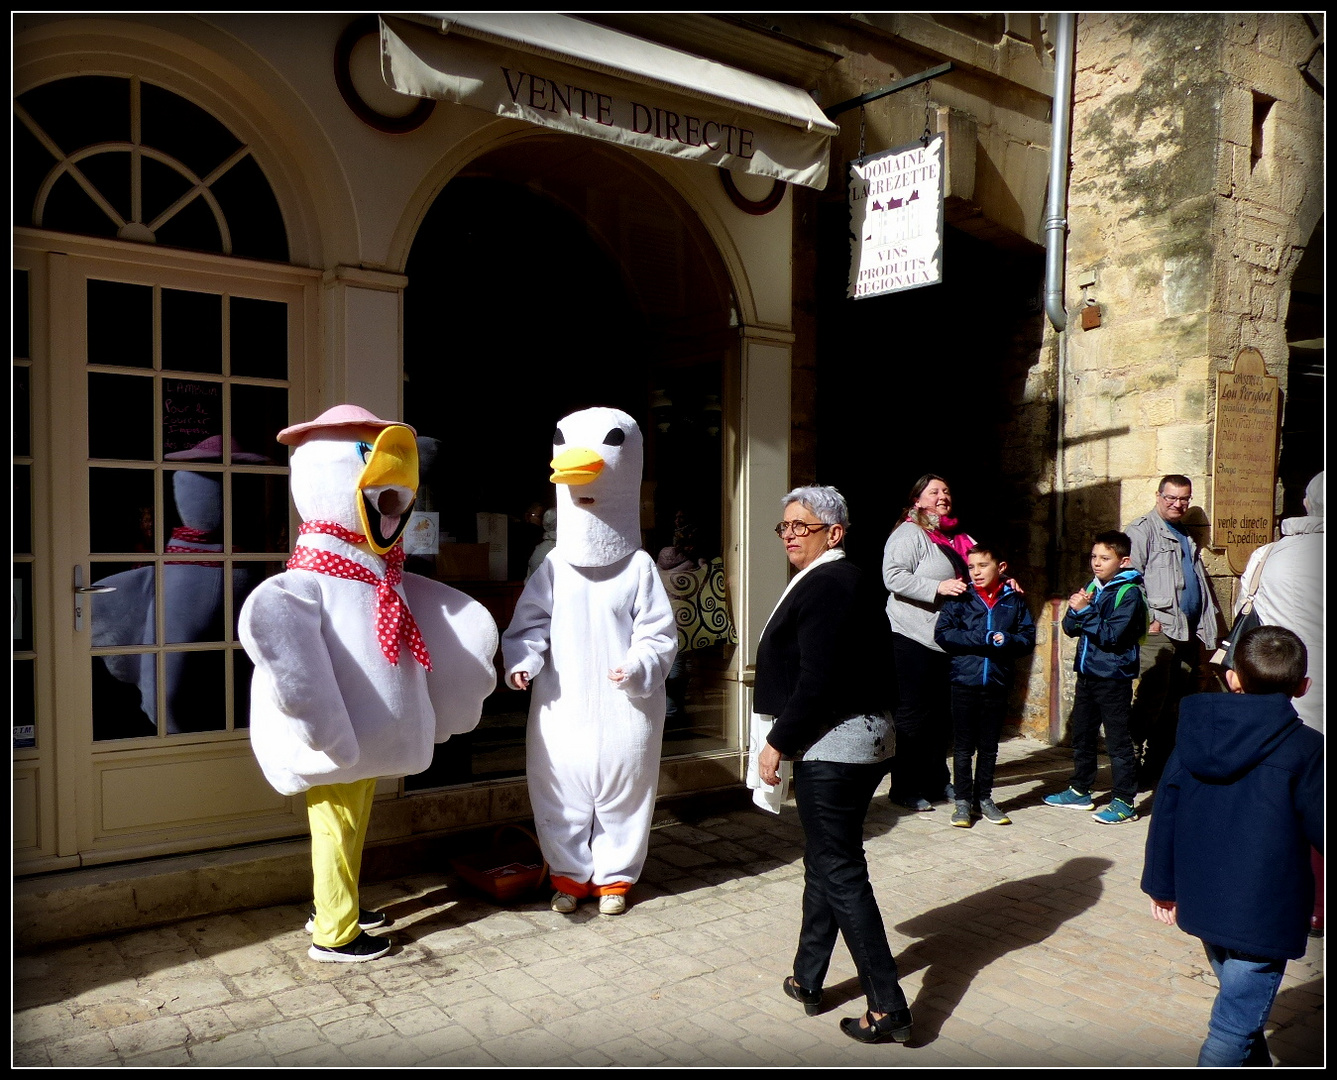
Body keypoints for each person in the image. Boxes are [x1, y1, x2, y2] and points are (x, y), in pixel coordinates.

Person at [503, 407, 677, 917]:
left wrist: (640, 665)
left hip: (627, 703)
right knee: (558, 788)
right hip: (563, 699)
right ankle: (568, 877)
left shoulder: (639, 566)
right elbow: (529, 623)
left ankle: (616, 878)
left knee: (626, 790)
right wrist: (525, 659)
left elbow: (658, 632)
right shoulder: (555, 565)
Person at [755, 485, 912, 1045]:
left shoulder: (831, 584)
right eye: (785, 526)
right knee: (825, 857)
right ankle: (808, 977)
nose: (790, 533)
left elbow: (819, 680)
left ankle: (888, 1005)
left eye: (802, 525)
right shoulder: (837, 581)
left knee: (841, 867)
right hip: (855, 740)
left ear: (834, 533)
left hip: (835, 745)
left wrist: (778, 742)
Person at [1141, 625, 1323, 1067]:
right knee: (1232, 1026)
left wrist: (1161, 885)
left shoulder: (1194, 732)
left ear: (1232, 678)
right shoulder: (1308, 749)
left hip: (1203, 897)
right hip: (1266, 910)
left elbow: (1165, 809)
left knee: (1240, 1015)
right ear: (1303, 687)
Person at [881, 473, 973, 812]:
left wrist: (1005, 583)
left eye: (946, 491)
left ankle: (937, 780)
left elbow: (980, 567)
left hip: (946, 637)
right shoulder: (910, 533)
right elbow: (892, 576)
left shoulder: (956, 536)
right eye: (934, 491)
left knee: (940, 714)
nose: (943, 496)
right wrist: (937, 587)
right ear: (917, 499)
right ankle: (903, 786)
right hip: (911, 635)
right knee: (913, 715)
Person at [1125, 475, 1222, 791]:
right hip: (1159, 629)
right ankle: (1128, 764)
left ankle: (1157, 764)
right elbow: (1127, 579)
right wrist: (1147, 618)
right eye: (1171, 498)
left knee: (1175, 700)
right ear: (1158, 496)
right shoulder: (1142, 531)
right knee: (1152, 696)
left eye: (1184, 499)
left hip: (1187, 628)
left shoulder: (1184, 534)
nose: (1178, 504)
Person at [1044, 530, 1147, 825]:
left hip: (1113, 676)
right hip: (1088, 672)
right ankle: (1080, 789)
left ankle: (1125, 801)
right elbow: (1069, 628)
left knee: (1117, 741)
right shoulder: (1094, 586)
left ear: (1123, 560)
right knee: (1083, 735)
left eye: (1105, 558)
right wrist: (1076, 609)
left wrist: (1086, 610)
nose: (1097, 563)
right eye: (1093, 557)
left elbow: (1112, 636)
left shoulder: (1129, 593)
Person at [934, 542, 1036, 827]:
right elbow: (943, 633)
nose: (976, 573)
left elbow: (1027, 636)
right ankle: (963, 801)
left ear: (1001, 568)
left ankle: (985, 799)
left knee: (989, 746)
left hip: (997, 681)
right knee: (964, 746)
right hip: (964, 680)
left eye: (982, 566)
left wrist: (1009, 640)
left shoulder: (1013, 599)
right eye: (971, 567)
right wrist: (983, 638)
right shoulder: (960, 598)